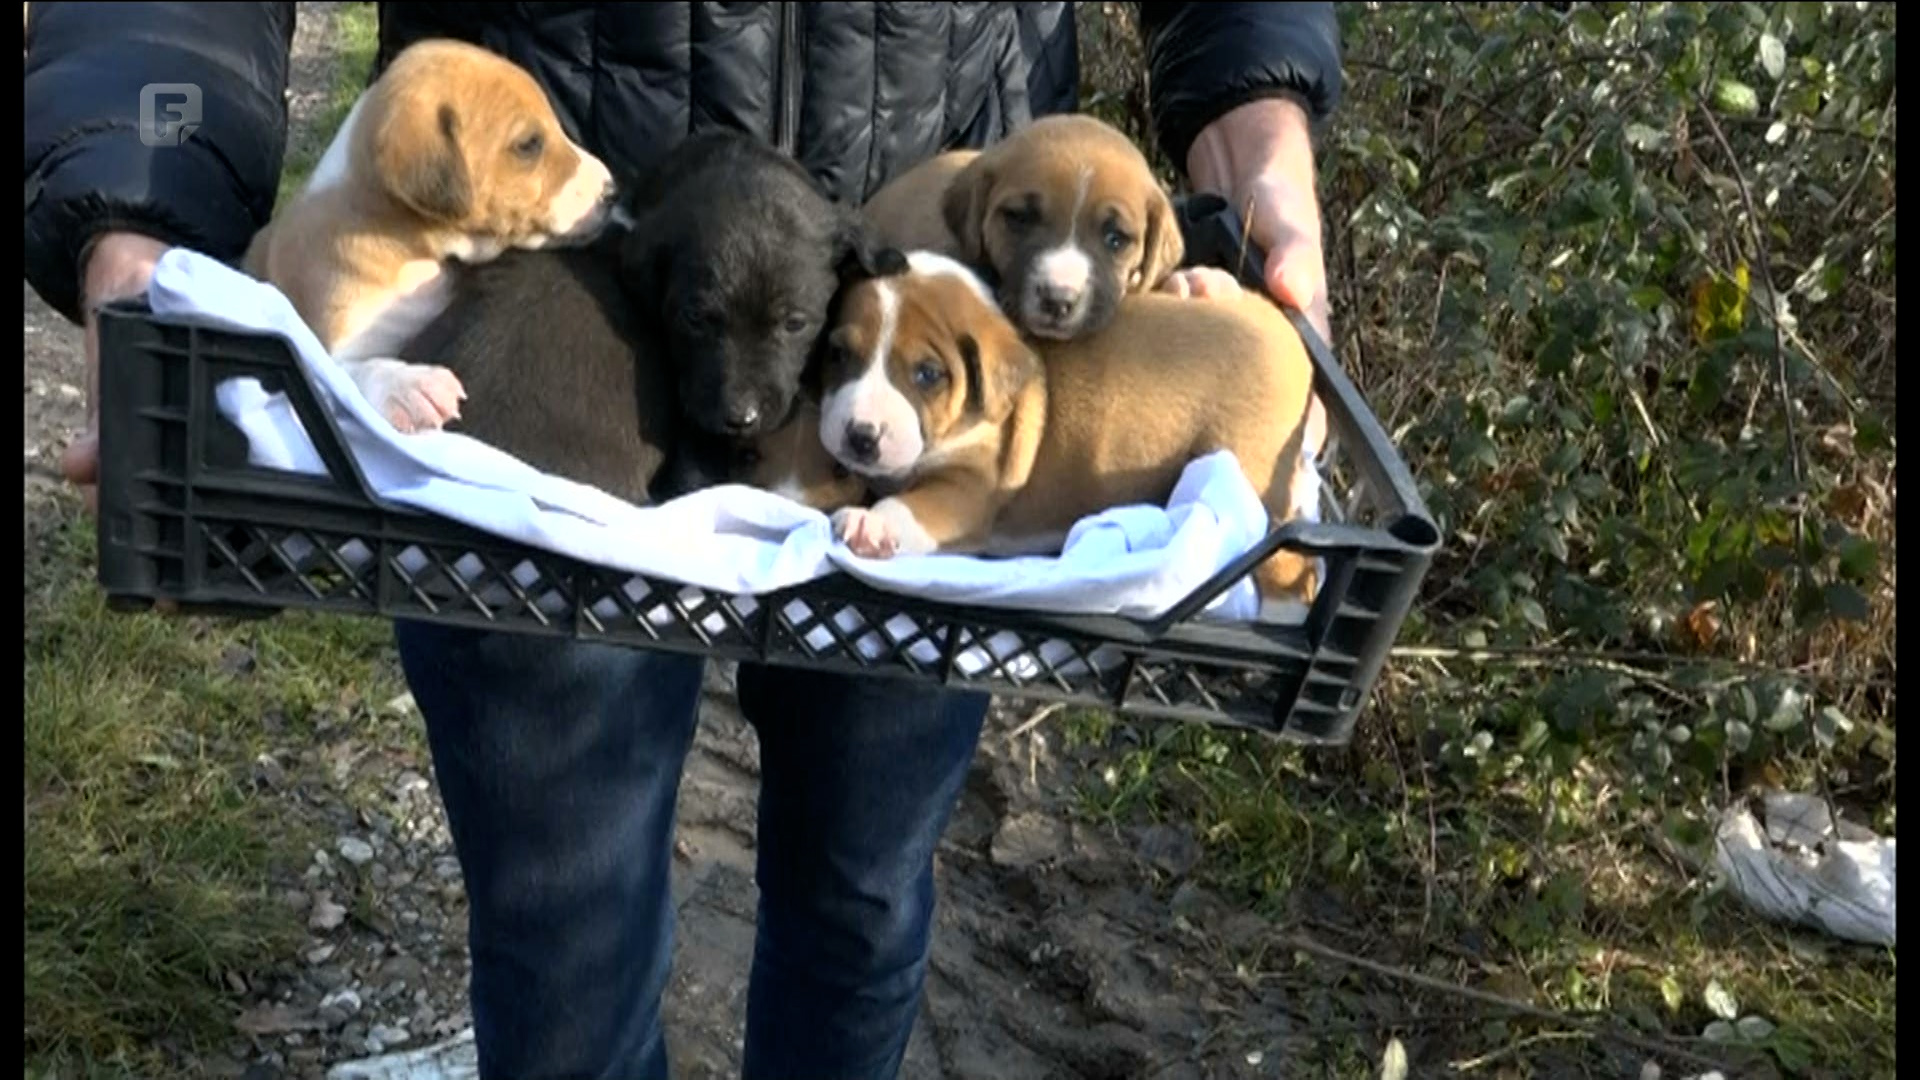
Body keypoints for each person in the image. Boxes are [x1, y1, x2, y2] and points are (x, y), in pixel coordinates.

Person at [25, 4, 1342, 1078]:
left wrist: (1259, 140)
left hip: (926, 295)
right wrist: (141, 204)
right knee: (566, 944)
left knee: (862, 904)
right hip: (547, 314)